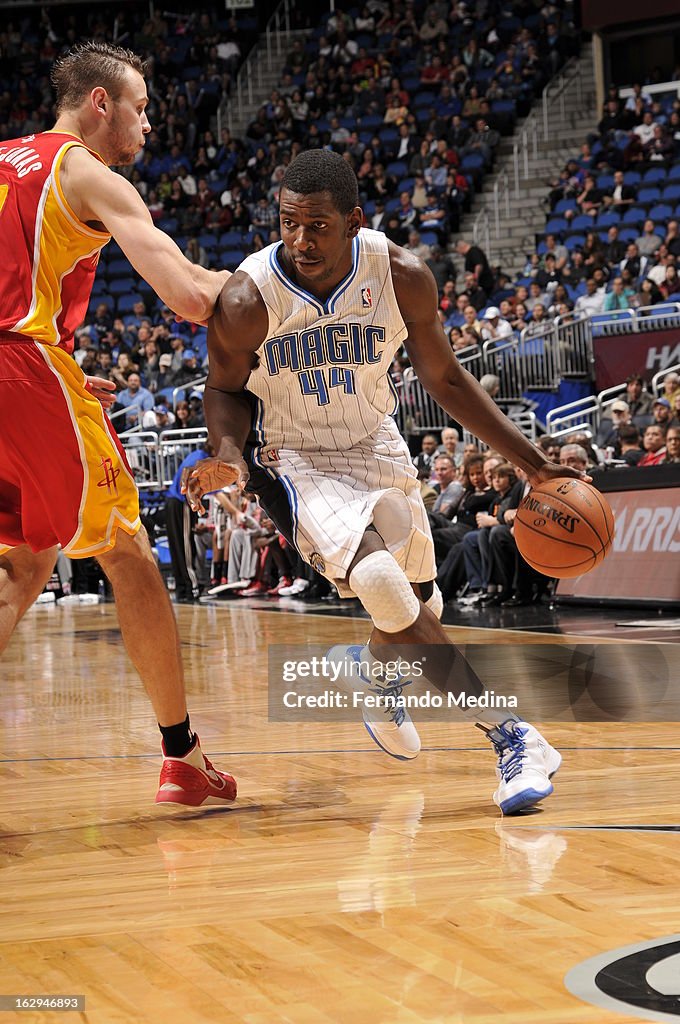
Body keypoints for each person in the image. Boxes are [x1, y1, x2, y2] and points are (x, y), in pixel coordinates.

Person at [184, 150, 587, 816]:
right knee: (378, 583)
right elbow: (224, 389)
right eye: (288, 223)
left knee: (418, 609)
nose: (300, 241)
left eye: (316, 226)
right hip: (297, 458)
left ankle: (376, 672)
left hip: (378, 444)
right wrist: (229, 453)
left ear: (353, 222)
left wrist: (534, 464)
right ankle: (511, 736)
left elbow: (448, 380)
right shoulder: (247, 296)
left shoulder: (401, 276)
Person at [0, 41, 235, 807]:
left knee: (24, 564)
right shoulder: (85, 172)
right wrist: (260, 284)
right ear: (100, 103)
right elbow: (190, 298)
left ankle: (184, 758)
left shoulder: (4, 156)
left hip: (28, 367)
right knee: (129, 554)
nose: (148, 122)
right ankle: (182, 760)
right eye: (140, 106)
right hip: (23, 370)